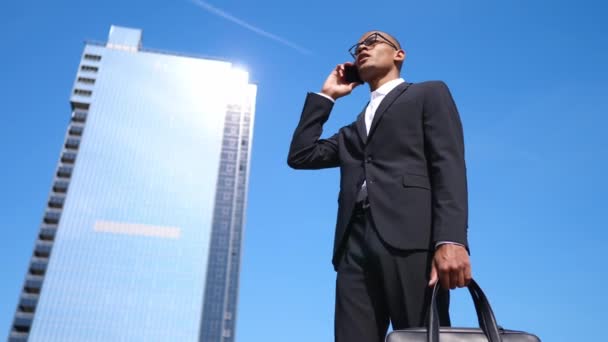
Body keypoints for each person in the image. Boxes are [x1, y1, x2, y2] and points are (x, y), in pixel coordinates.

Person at [287, 31, 473, 342]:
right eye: (357, 45)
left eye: (373, 40)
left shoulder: (428, 93)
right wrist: (327, 96)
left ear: (399, 54)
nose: (363, 47)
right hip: (353, 245)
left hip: (412, 238)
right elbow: (301, 155)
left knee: (419, 336)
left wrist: (451, 239)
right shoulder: (352, 132)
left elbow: (449, 166)